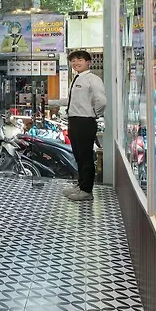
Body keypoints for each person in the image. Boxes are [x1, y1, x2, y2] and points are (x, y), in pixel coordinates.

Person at [64, 49, 106, 201]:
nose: (75, 63)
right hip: (74, 121)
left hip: (85, 121)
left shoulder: (93, 79)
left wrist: (94, 114)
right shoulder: (76, 79)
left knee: (86, 156)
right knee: (78, 156)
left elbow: (101, 101)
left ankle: (87, 191)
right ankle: (81, 185)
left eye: (79, 60)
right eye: (73, 60)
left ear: (88, 62)